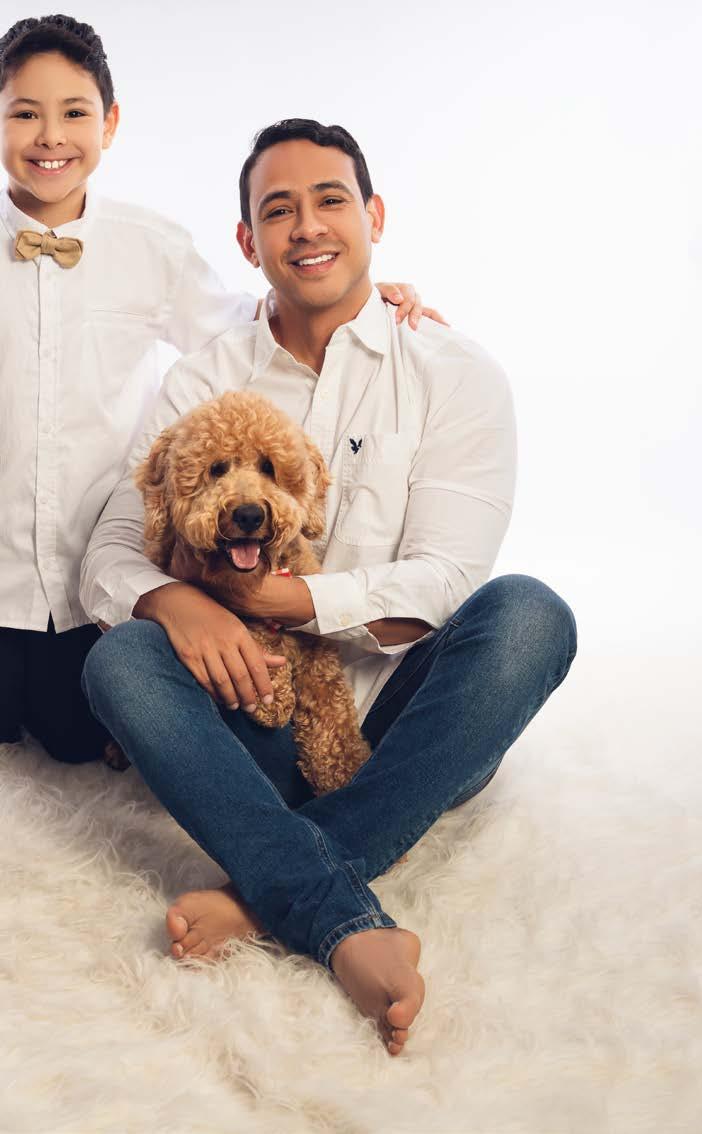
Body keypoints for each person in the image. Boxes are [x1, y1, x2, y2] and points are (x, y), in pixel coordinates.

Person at [80, 118, 577, 1055]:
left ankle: (275, 891)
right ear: (248, 241)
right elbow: (112, 548)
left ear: (373, 216)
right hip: (250, 716)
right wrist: (173, 601)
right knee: (122, 661)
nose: (306, 227)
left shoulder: (455, 373)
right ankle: (339, 898)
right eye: (278, 210)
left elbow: (448, 575)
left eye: (329, 201)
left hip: (408, 729)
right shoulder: (205, 376)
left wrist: (293, 602)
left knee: (530, 614)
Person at [0, 15, 434, 766]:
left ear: (110, 123)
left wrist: (360, 298)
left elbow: (250, 326)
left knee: (80, 740)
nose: (50, 137)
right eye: (23, 113)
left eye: (73, 112)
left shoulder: (152, 247)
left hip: (84, 589)